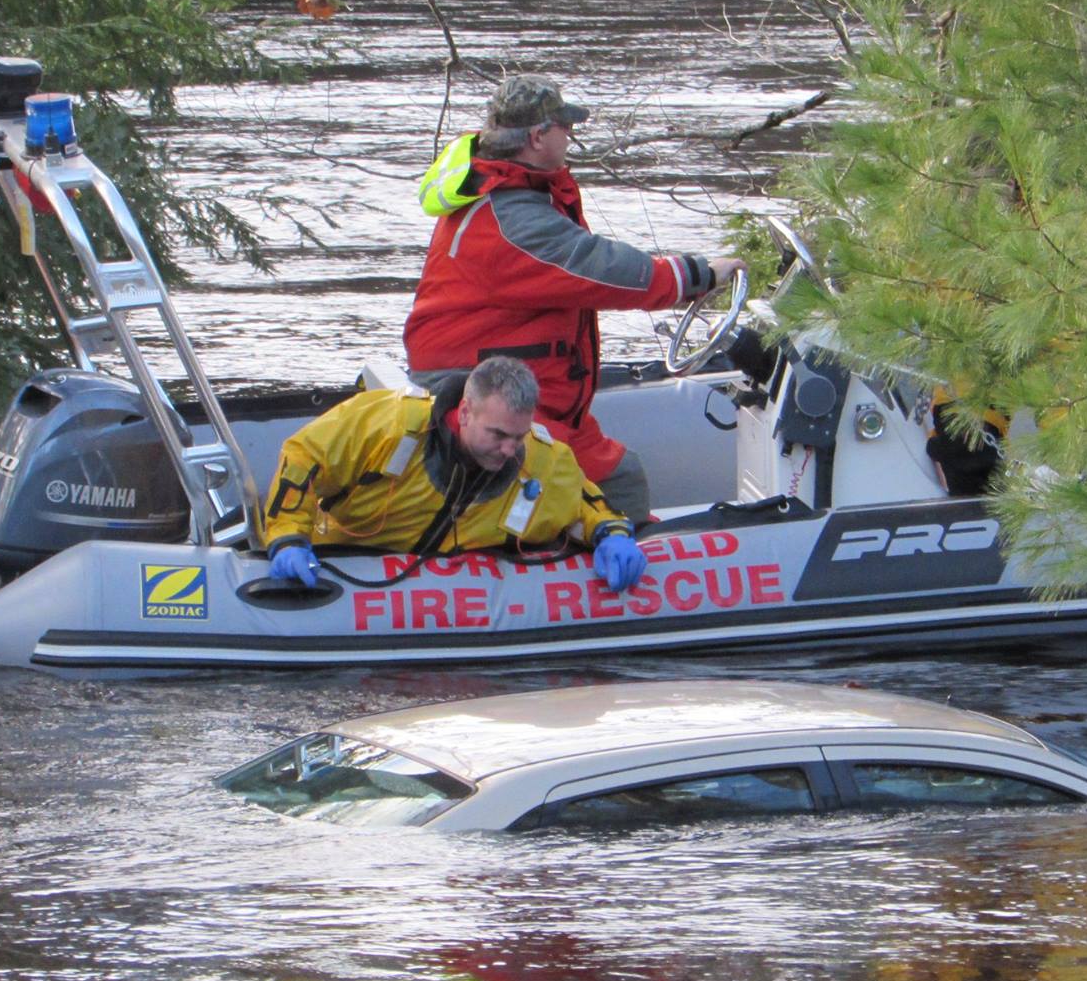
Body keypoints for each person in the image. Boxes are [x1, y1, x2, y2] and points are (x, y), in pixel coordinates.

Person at [403, 75, 745, 527]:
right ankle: (621, 575)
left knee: (606, 465)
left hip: (500, 379)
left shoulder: (502, 193)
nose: (571, 135)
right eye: (565, 127)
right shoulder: (512, 219)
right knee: (619, 479)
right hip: (481, 391)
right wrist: (697, 276)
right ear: (538, 137)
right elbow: (598, 267)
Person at [262, 355, 647, 593]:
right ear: (464, 412)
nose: (509, 449)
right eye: (497, 434)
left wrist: (611, 535)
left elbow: (585, 504)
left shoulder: (543, 461)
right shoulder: (390, 424)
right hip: (345, 556)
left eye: (518, 436)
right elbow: (304, 457)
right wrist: (288, 537)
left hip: (447, 584)